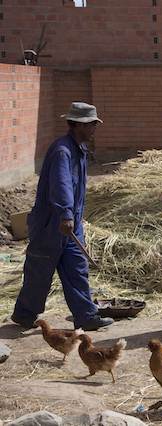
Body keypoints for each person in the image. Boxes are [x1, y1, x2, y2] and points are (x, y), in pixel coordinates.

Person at [11, 102, 114, 331]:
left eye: (94, 124)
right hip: (52, 224)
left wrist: (74, 218)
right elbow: (61, 185)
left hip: (70, 223)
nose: (94, 129)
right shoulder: (62, 151)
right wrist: (66, 214)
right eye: (90, 125)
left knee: (77, 267)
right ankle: (24, 314)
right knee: (40, 272)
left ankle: (86, 316)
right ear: (76, 125)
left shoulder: (78, 149)